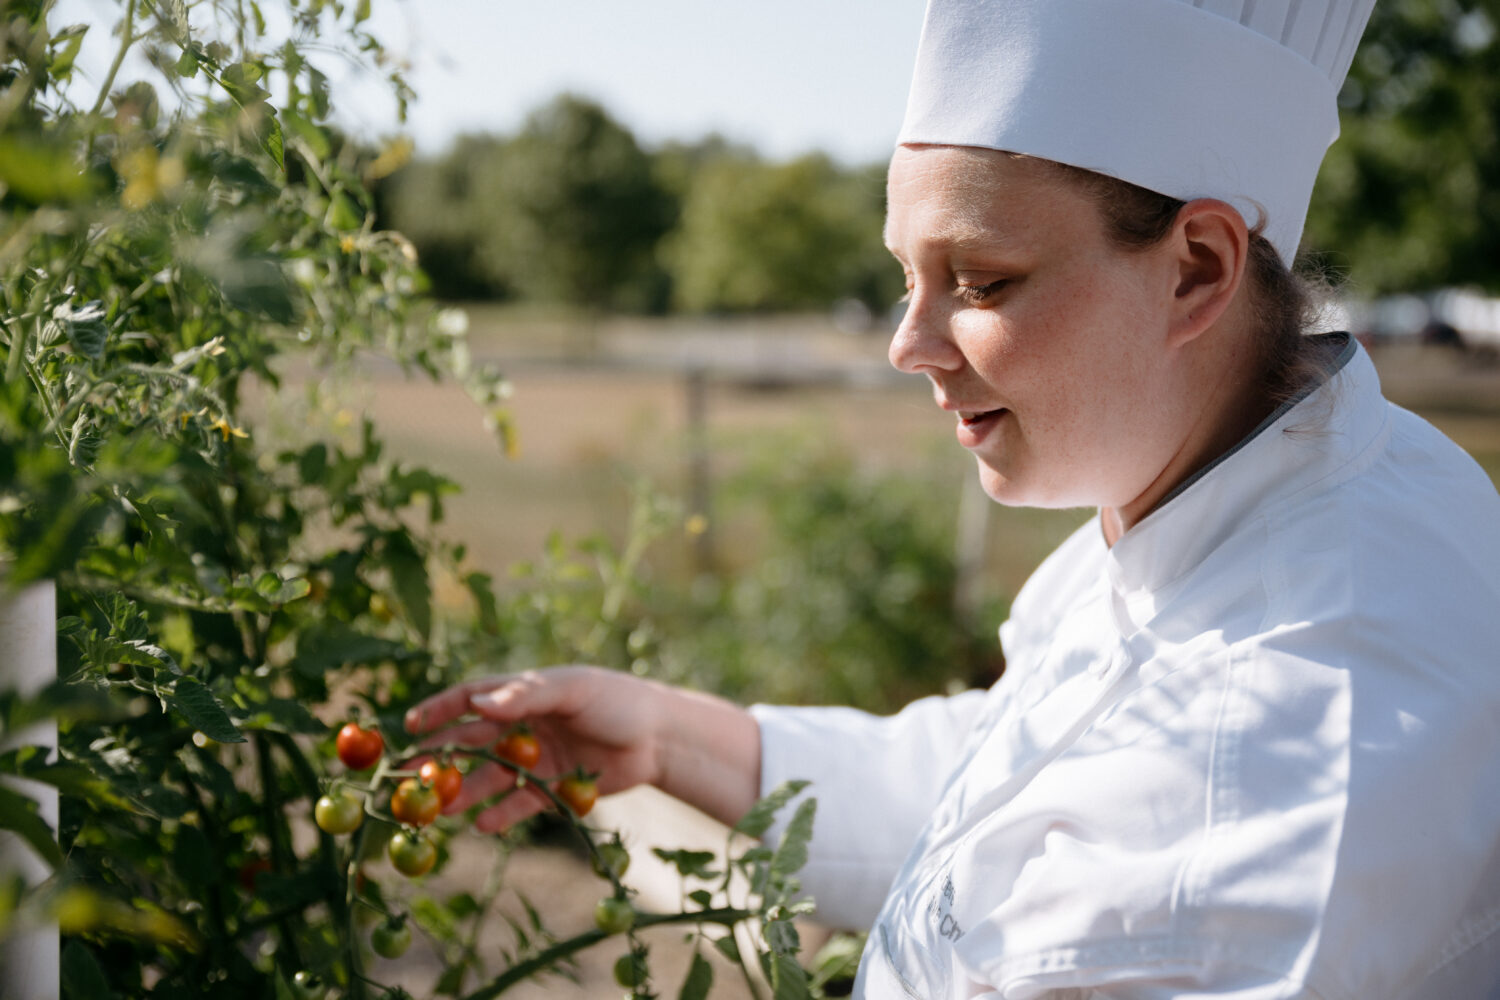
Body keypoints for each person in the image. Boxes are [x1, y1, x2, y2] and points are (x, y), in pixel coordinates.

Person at [407, 1, 1500, 996]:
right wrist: (669, 736)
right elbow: (995, 790)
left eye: (979, 281)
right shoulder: (1213, 506)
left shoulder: (1274, 740)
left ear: (1198, 271)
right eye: (905, 277)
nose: (907, 344)